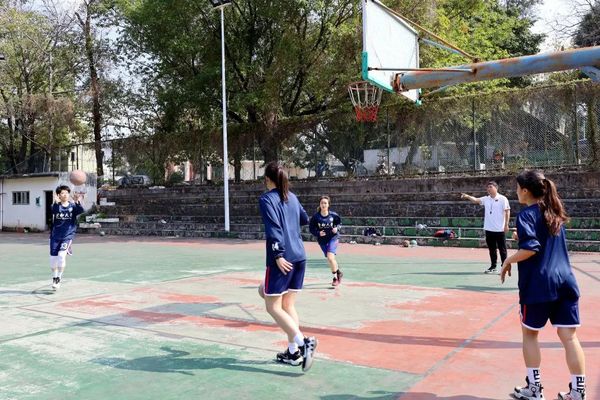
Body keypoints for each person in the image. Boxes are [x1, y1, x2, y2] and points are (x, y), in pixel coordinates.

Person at [501, 170, 585, 400]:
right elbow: (542, 241)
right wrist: (522, 238)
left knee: (530, 335)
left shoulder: (526, 215)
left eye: (517, 188)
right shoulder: (554, 212)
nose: (516, 192)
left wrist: (508, 260)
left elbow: (531, 249)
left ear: (525, 190)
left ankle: (535, 390)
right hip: (566, 281)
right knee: (570, 337)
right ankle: (578, 392)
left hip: (539, 284)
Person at [258, 161, 317, 372]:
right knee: (285, 303)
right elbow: (304, 219)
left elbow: (273, 228)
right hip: (300, 256)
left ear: (267, 179)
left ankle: (303, 343)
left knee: (272, 306)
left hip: (283, 259)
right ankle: (293, 353)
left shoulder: (266, 199)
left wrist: (278, 254)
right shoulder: (292, 197)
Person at [461, 181, 510, 273]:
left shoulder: (503, 199)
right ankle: (493, 266)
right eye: (487, 187)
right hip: (489, 229)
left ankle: (504, 267)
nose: (488, 189)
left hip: (500, 229)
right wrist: (467, 196)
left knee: (502, 249)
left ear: (496, 188)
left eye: (490, 187)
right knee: (492, 249)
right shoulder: (486, 199)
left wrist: (506, 225)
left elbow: (507, 211)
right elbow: (476, 200)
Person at [49, 185, 85, 290]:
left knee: (61, 256)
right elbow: (54, 210)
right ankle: (54, 277)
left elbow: (81, 210)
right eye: (62, 193)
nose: (65, 195)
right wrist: (55, 202)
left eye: (66, 193)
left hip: (67, 236)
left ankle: (58, 279)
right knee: (53, 260)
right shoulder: (55, 206)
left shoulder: (73, 206)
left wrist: (77, 201)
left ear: (69, 194)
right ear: (58, 195)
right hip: (55, 236)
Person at [309, 196, 343, 286]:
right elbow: (311, 229)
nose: (323, 205)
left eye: (325, 203)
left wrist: (337, 228)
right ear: (319, 205)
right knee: (330, 259)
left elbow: (339, 223)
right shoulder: (316, 217)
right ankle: (338, 272)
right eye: (322, 203)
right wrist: (318, 233)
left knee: (330, 257)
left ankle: (335, 278)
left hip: (333, 238)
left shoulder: (333, 215)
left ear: (328, 205)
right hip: (322, 240)